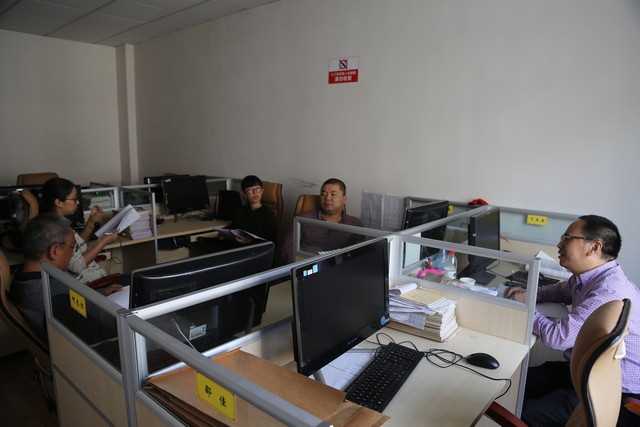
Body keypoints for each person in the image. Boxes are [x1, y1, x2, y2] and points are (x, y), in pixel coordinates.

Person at [506, 215, 640, 426]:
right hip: (586, 371)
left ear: (594, 247)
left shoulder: (608, 291)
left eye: (567, 238)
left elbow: (558, 338)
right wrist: (529, 295)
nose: (559, 244)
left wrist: (525, 309)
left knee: (518, 409)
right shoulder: (594, 276)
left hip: (611, 390)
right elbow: (560, 291)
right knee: (511, 384)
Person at [40, 177, 117, 283]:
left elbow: (76, 246)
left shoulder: (58, 221)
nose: (77, 203)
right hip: (86, 285)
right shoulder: (55, 228)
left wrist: (91, 222)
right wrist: (103, 242)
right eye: (74, 200)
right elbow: (77, 266)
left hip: (93, 278)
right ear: (58, 202)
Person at [298, 178, 363, 253]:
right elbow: (289, 248)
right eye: (323, 194)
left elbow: (363, 252)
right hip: (307, 259)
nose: (327, 198)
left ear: (344, 199)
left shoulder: (354, 224)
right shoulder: (303, 219)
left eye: (333, 194)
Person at [229, 175, 277, 242]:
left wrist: (249, 241)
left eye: (257, 189)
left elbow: (270, 240)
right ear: (244, 194)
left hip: (257, 247)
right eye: (250, 190)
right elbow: (233, 229)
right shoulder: (240, 211)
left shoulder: (268, 214)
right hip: (239, 245)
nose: (255, 192)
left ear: (262, 191)